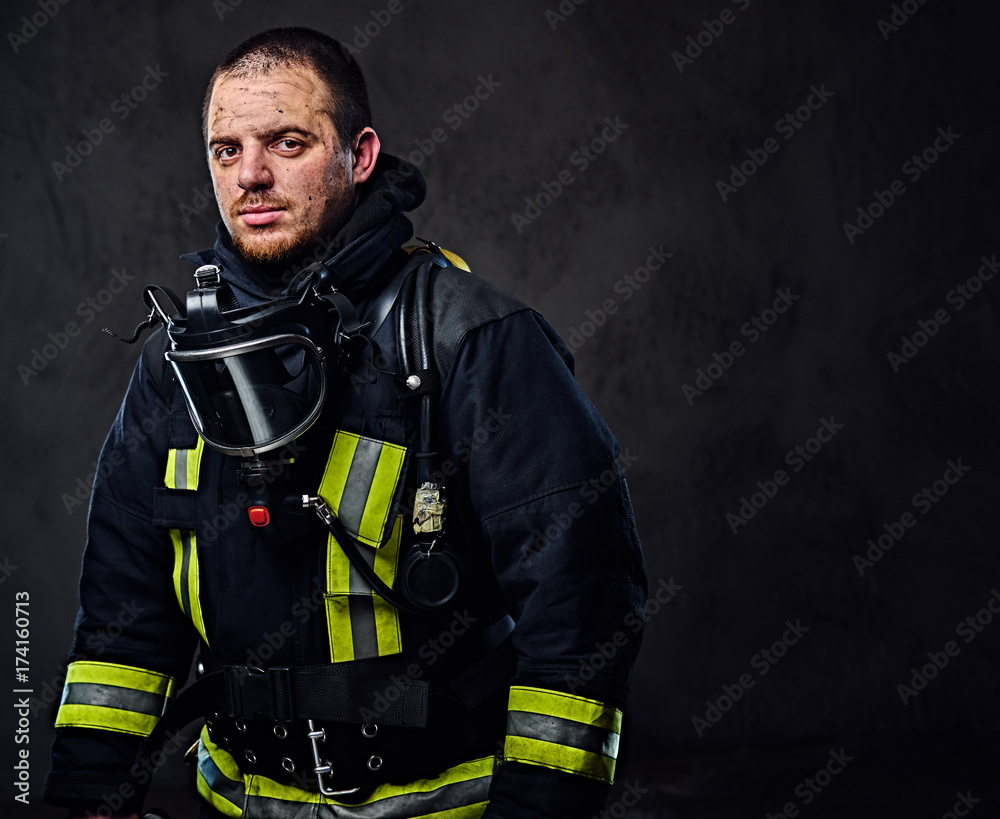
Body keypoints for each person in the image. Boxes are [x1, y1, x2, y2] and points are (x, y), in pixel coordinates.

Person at [45, 27, 647, 819]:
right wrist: (90, 798)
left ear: (359, 157)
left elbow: (580, 611)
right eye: (226, 150)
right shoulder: (176, 370)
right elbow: (121, 627)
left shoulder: (467, 341)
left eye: (286, 142)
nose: (250, 175)